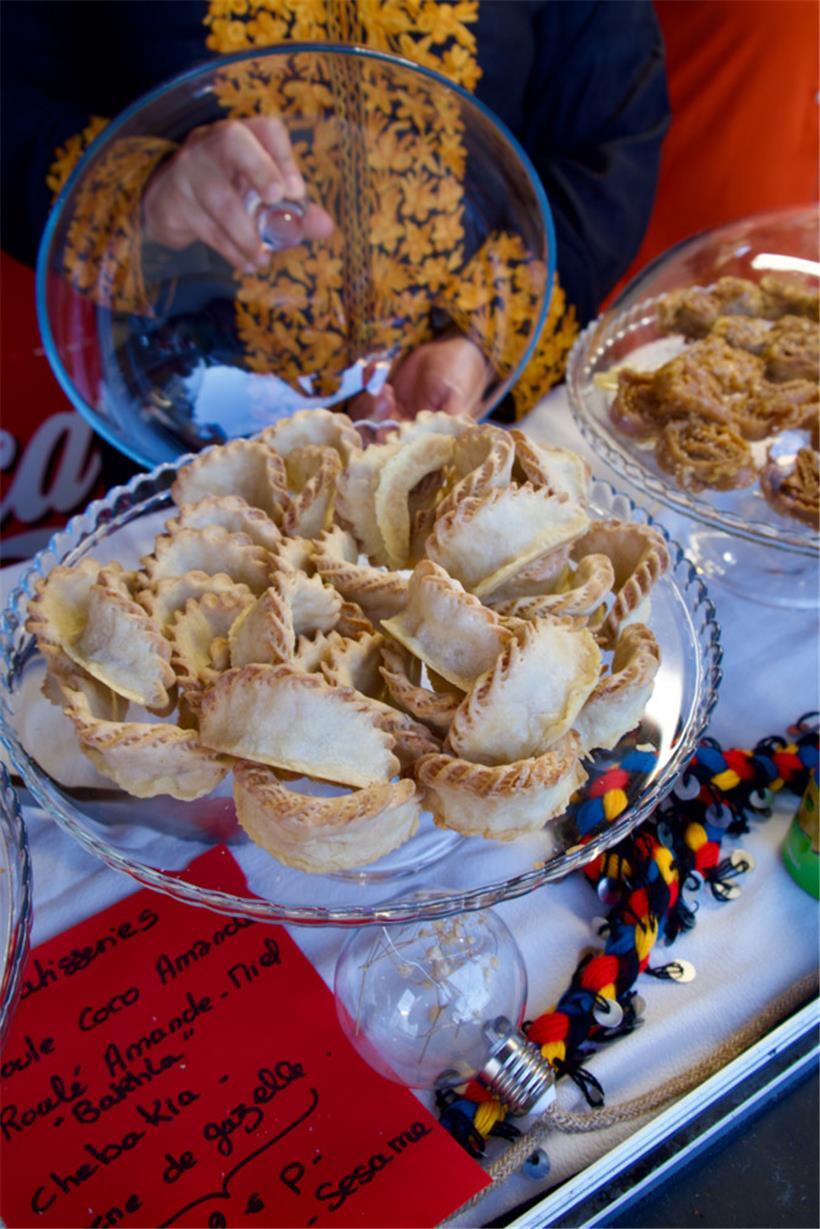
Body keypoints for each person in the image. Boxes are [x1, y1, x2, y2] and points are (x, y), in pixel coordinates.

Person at [1, 1, 668, 425]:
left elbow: (608, 135)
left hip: (460, 427)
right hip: (188, 431)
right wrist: (149, 191)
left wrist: (477, 338)